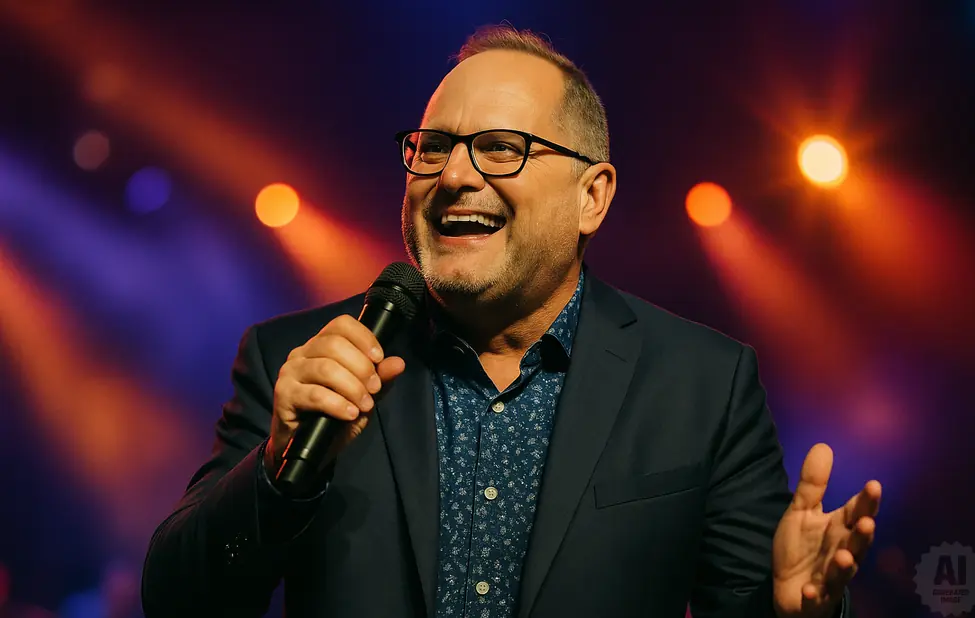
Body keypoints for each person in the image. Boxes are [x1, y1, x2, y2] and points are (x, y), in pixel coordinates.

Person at [141, 24, 881, 618]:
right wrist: (278, 472)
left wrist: (796, 614)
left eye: (502, 148)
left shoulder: (702, 382)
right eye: (431, 149)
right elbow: (178, 600)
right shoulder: (300, 361)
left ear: (592, 196)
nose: (455, 175)